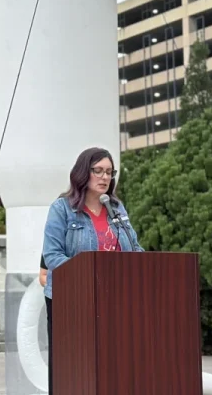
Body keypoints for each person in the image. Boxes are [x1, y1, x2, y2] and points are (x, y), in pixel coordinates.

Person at [40, 147, 144, 394]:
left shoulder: (116, 208)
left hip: (112, 298)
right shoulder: (62, 209)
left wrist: (144, 267)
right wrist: (88, 274)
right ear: (82, 173)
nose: (105, 177)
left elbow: (134, 248)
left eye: (109, 172)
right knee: (71, 366)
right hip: (71, 299)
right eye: (98, 170)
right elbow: (52, 255)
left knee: (110, 364)